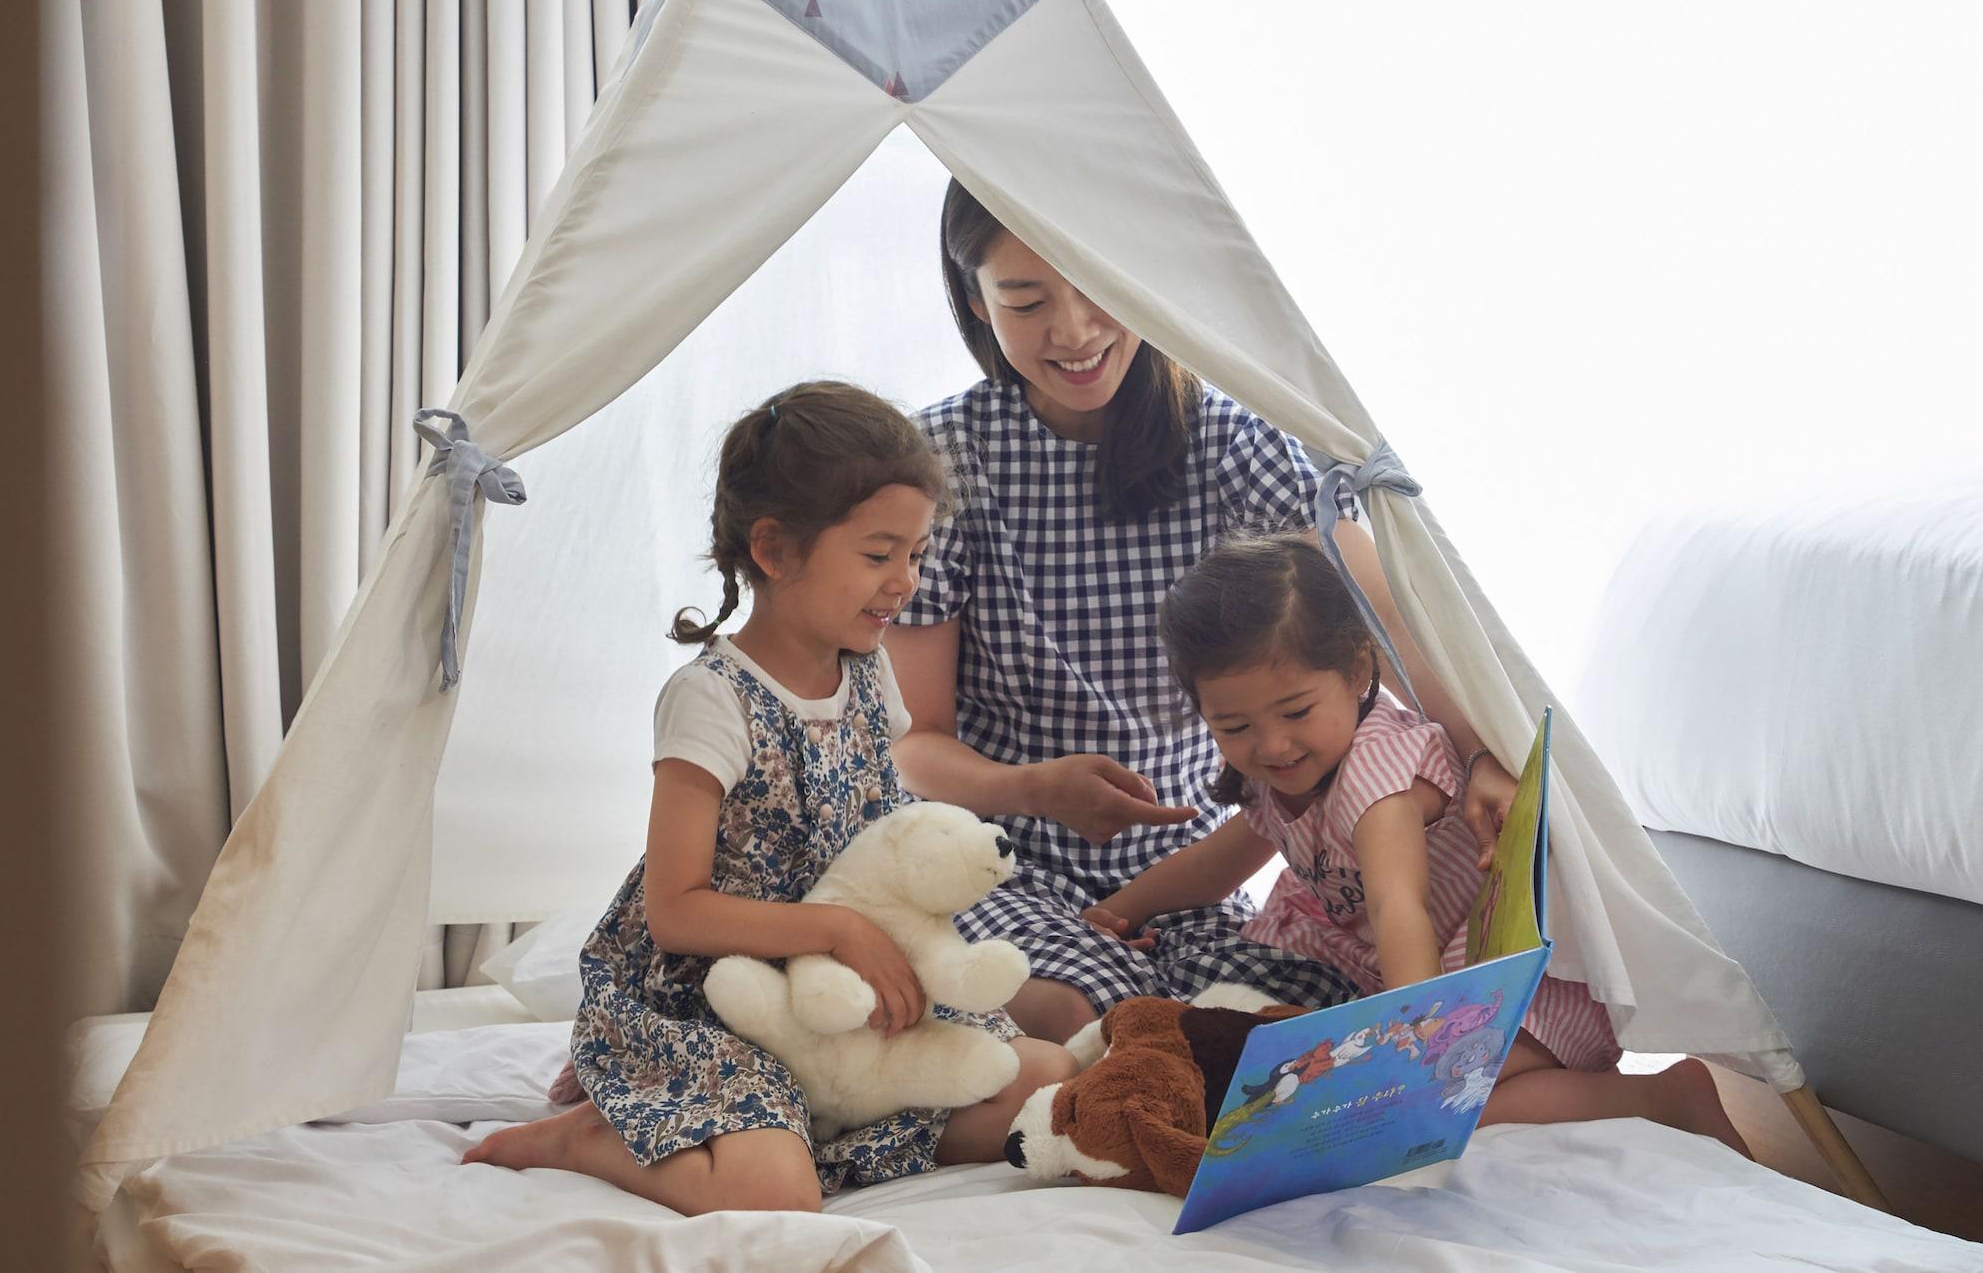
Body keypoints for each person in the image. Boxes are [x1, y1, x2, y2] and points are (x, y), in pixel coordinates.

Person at [886, 180, 1521, 1043]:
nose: (1073, 333)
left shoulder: (1230, 441)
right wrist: (1035, 789)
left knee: (1286, 1027)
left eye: (1098, 287)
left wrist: (1485, 748)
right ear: (975, 301)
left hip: (1188, 867)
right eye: (1027, 301)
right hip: (999, 858)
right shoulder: (945, 459)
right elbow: (914, 743)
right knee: (1083, 1019)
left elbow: (1388, 621)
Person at [463, 382, 1077, 1213]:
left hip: (843, 998)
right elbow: (676, 911)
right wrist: (838, 928)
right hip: (723, 1002)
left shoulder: (871, 675)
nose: (905, 581)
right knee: (775, 1192)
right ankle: (588, 1139)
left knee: (1044, 1075)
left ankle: (827, 1124)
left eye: (918, 554)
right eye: (878, 553)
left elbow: (884, 839)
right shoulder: (712, 698)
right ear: (777, 550)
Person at [1082, 532, 1747, 1150]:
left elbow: (1398, 905)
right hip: (1376, 959)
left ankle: (1664, 1097)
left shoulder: (1381, 775)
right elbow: (1215, 863)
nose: (1272, 744)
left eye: (1296, 712)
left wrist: (1414, 1045)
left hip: (1477, 966)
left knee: (1444, 1102)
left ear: (1358, 669)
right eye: (1233, 726)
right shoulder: (1278, 771)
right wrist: (1123, 908)